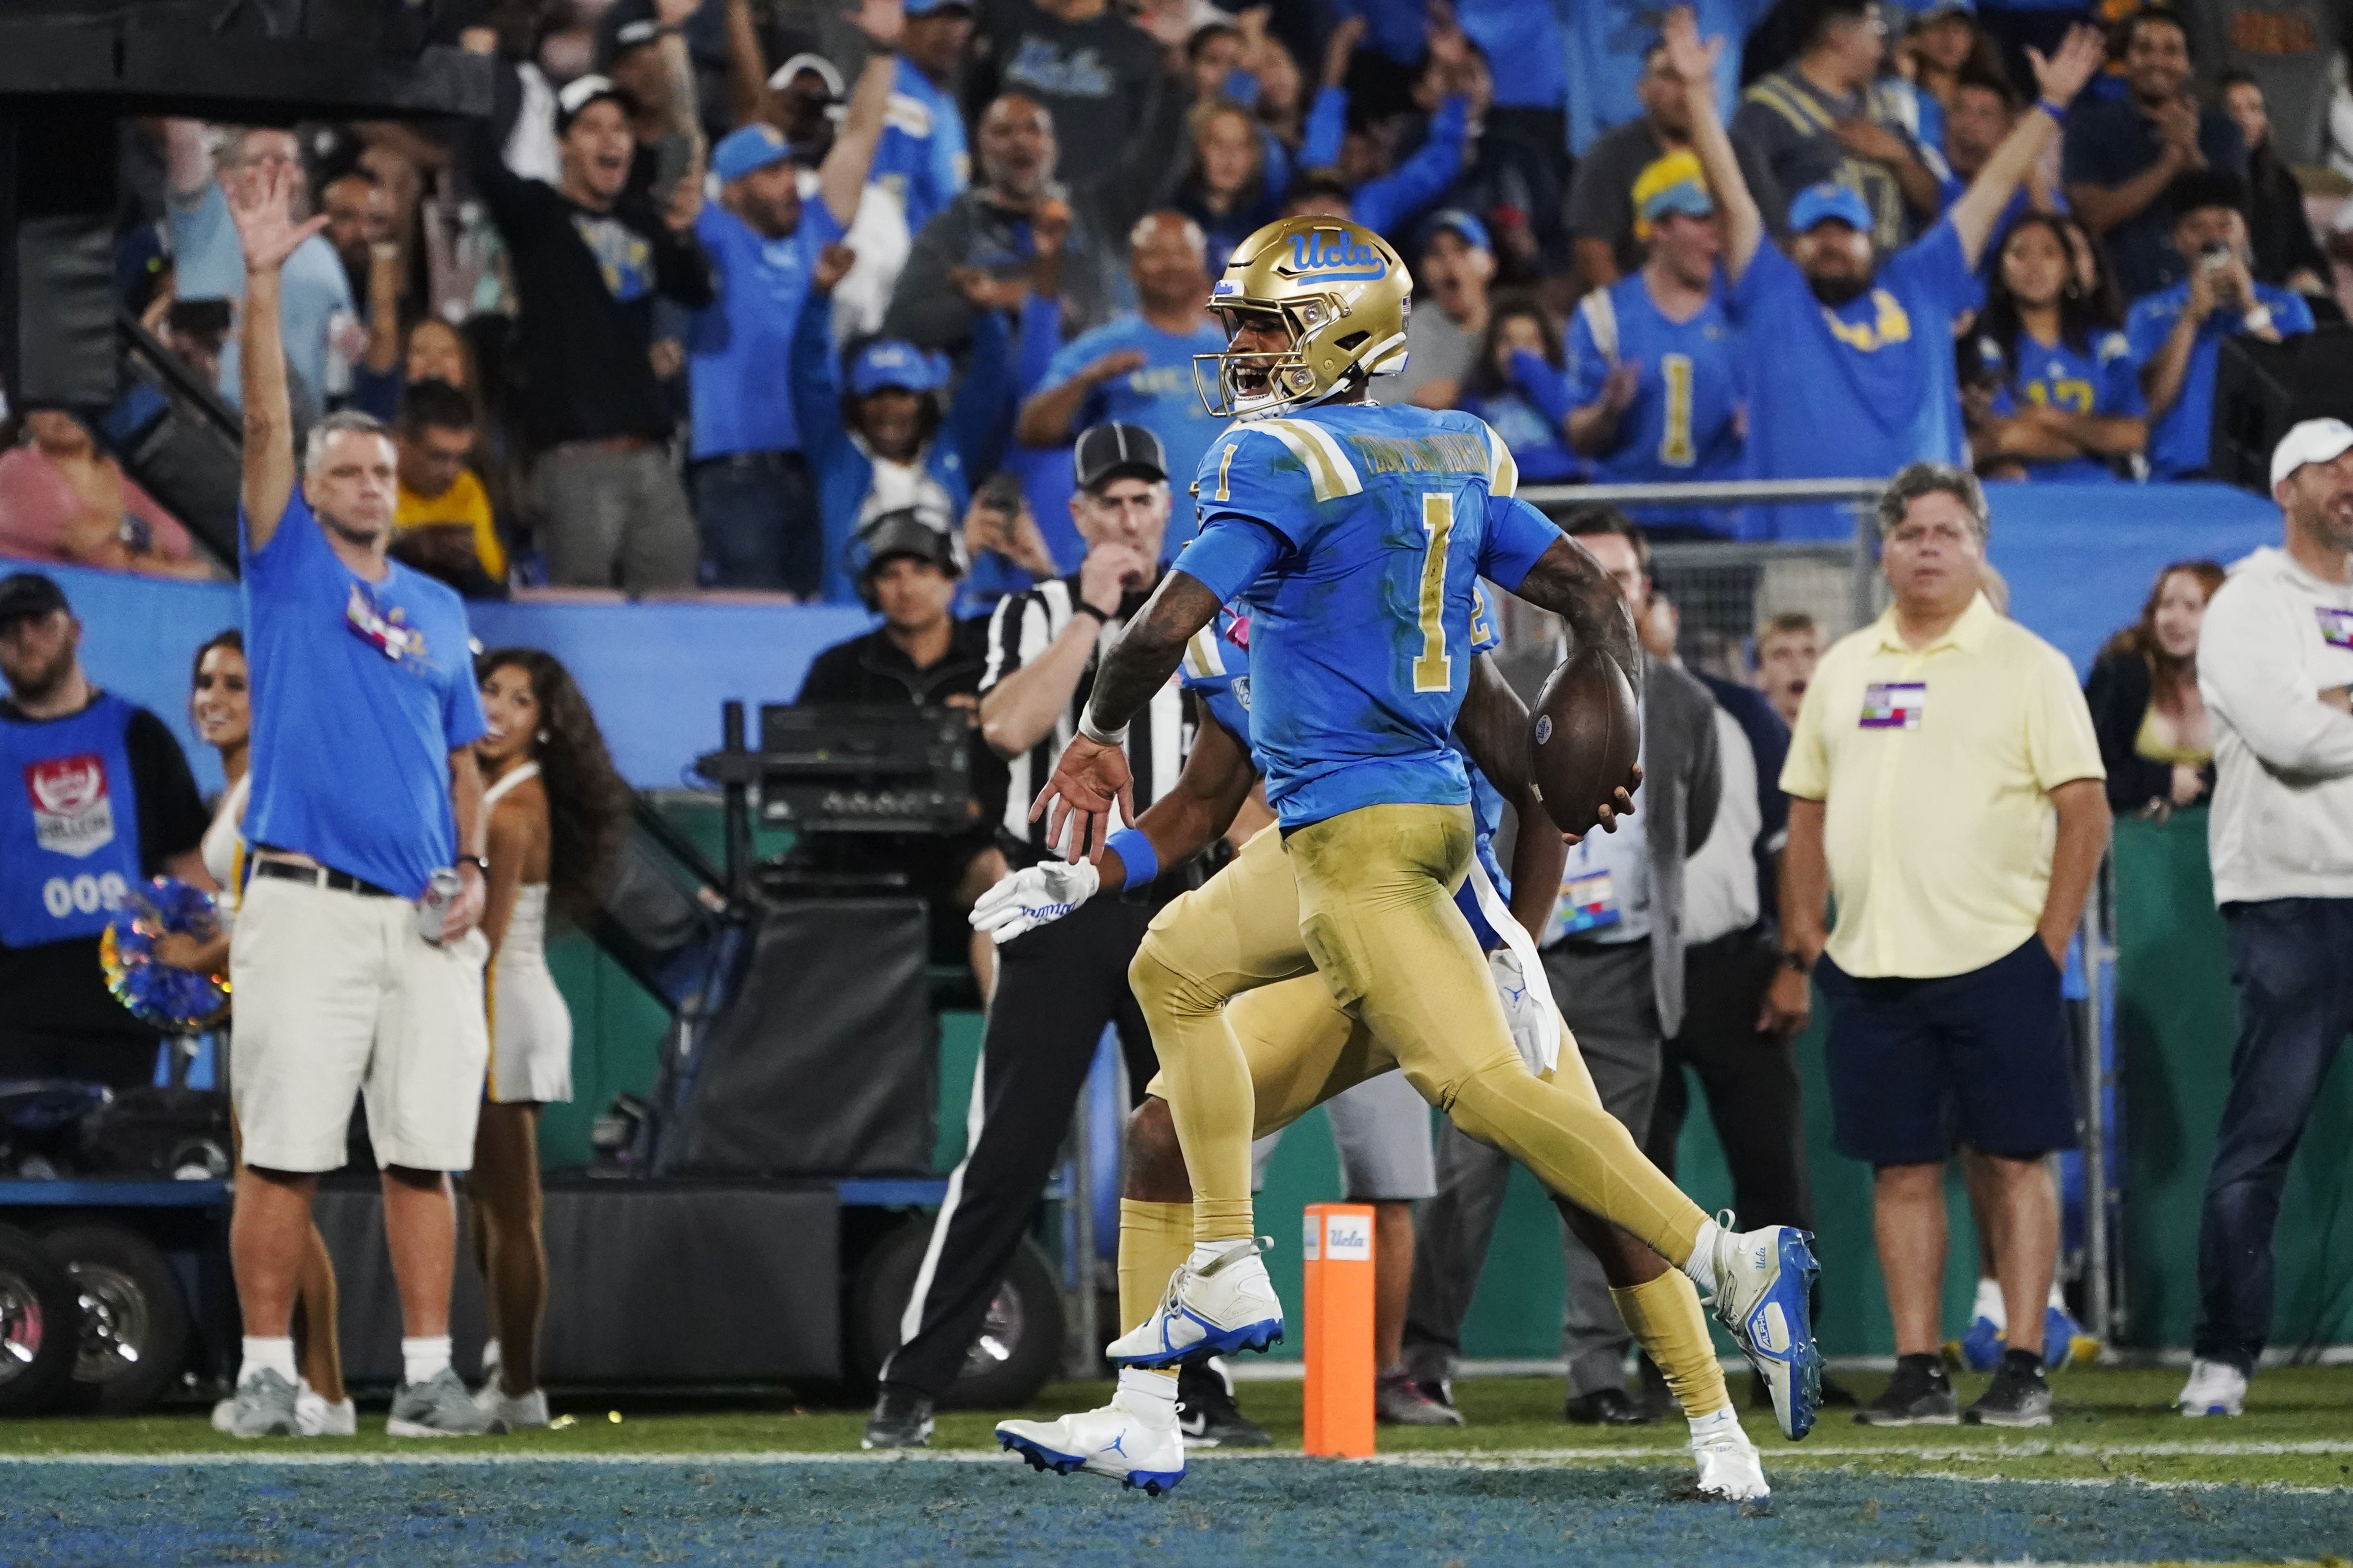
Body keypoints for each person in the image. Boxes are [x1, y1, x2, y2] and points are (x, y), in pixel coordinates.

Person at [1015, 212, 1824, 1474]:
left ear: (1334, 335)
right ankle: (1155, 1394)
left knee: (1511, 1112)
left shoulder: (1274, 477)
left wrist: (1580, 767)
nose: (1235, 345)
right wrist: (1084, 871)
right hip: (1328, 851)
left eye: (1261, 323)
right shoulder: (1439, 465)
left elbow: (1182, 627)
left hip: (1409, 876)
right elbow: (1561, 618)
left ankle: (1726, 1310)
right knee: (1168, 998)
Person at [218, 157, 497, 1440]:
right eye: (349, 468)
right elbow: (266, 424)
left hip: (425, 917)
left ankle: (429, 1372)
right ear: (314, 483)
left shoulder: (442, 608)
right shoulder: (282, 567)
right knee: (281, 1147)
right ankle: (265, 1371)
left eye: (383, 471)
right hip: (306, 899)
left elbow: (465, 764)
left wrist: (480, 869)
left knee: (424, 1150)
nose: (370, 483)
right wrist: (265, 278)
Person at [861, 423, 1198, 1449]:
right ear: (1081, 518)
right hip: (1056, 902)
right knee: (1006, 1149)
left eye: (1146, 499)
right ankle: (914, 1382)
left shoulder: (1209, 617)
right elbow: (1008, 727)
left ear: (1165, 508)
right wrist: (1092, 612)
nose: (1131, 517)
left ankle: (1191, 1382)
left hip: (1174, 907)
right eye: (1113, 502)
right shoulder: (1034, 612)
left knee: (1189, 1145)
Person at [1764, 461, 2110, 1429]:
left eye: (1944, 532)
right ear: (1883, 547)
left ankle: (2024, 1365)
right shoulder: (1842, 666)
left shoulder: (2028, 665)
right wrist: (1805, 930)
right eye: (1909, 531)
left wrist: (2046, 944)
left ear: (1977, 546)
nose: (1925, 547)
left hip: (2000, 957)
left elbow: (2083, 813)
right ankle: (1918, 1369)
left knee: (2012, 1160)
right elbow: (1803, 810)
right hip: (1871, 966)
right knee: (1900, 1170)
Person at [1400, 512, 1723, 1429]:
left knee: (1607, 1171)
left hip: (1622, 970)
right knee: (1464, 1173)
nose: (1603, 596)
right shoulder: (1489, 683)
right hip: (1500, 952)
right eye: (1589, 575)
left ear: (1644, 588)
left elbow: (1685, 825)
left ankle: (1599, 1370)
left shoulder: (1687, 705)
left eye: (1621, 576)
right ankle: (1422, 1362)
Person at [1672, 6, 2108, 540]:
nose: (1831, 244)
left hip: (1924, 553)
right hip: (1804, 557)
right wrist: (1696, 94)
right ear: (1794, 243)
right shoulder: (1773, 291)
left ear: (1869, 238)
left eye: (1844, 231)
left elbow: (1992, 189)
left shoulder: (1921, 281)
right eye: (1816, 233)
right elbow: (1730, 198)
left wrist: (2051, 106)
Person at [2177, 419, 2353, 1419]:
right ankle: (2222, 1360)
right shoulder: (2245, 601)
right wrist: (2314, 706)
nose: (2348, 485)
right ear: (2284, 487)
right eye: (2331, 469)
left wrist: (2328, 696)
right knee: (2260, 1137)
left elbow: (2311, 717)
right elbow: (2287, 736)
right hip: (2287, 895)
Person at [164, 630, 354, 1440]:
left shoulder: (274, 778)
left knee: (275, 1194)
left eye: (236, 683)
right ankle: (320, 1386)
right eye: (205, 680)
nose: (215, 695)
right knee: (270, 1196)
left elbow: (272, 911)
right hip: (258, 1001)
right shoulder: (235, 788)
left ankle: (323, 1385)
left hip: (287, 997)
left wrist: (190, 956)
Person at [462, 49, 715, 590]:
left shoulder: (641, 221)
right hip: (574, 462)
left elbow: (697, 292)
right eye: (592, 127)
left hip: (650, 458)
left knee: (682, 611)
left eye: (620, 128)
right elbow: (481, 164)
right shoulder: (538, 216)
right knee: (584, 609)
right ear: (562, 144)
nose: (611, 140)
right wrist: (477, 65)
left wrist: (679, 232)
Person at [466, 648, 629, 1433]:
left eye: (519, 700)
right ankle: (505, 1360)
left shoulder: (512, 808)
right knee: (487, 1208)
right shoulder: (492, 789)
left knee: (510, 1210)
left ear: (545, 724)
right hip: (496, 1004)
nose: (497, 708)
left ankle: (521, 1387)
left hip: (502, 1008)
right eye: (489, 690)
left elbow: (486, 941)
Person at [687, 17, 892, 596]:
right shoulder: (715, 235)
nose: (788, 183)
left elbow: (859, 139)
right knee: (751, 613)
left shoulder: (812, 232)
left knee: (821, 611)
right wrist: (676, 40)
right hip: (737, 467)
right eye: (770, 173)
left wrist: (883, 49)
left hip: (818, 460)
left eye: (788, 169)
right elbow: (691, 137)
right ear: (732, 191)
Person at [0, 572, 211, 1089]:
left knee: (116, 1162)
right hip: (12, 1015)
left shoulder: (140, 735)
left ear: (76, 629)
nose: (26, 638)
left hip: (121, 1011)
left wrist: (207, 966)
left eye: (40, 624)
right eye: (9, 630)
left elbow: (190, 868)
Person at [796, 511, 1012, 994]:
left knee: (1003, 878)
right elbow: (804, 776)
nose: (906, 586)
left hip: (965, 850)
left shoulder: (995, 662)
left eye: (921, 571)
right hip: (862, 856)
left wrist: (981, 810)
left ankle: (1007, 1061)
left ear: (950, 581)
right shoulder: (838, 670)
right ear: (872, 588)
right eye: (890, 574)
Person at [881, 80, 1188, 353]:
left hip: (1087, 394)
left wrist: (1175, 72)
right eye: (1003, 132)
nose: (1021, 141)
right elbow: (904, 325)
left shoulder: (1094, 211)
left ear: (1053, 147)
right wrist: (993, 303)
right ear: (981, 150)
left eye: (1033, 130)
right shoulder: (951, 229)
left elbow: (1159, 158)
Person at [797, 246, 1015, 603]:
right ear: (856, 404)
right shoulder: (838, 457)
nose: (889, 409)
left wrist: (984, 314)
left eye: (902, 395)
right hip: (860, 620)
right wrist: (819, 297)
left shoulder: (952, 447)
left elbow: (991, 380)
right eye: (875, 396)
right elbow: (810, 377)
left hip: (955, 618)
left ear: (923, 401)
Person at [1016, 213, 1226, 553]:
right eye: (1156, 253)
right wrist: (1089, 380)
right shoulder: (1100, 348)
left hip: (1221, 555)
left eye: (1182, 252)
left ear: (1202, 264)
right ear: (1132, 267)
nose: (1171, 264)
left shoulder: (1233, 351)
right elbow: (1034, 429)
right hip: (1128, 557)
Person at [1562, 161, 1747, 536]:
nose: (1715, 234)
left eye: (1719, 220)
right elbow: (1577, 435)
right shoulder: (1604, 316)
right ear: (1658, 228)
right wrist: (1608, 412)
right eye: (1700, 219)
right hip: (1629, 527)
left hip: (1721, 527)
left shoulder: (1745, 313)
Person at [2125, 171, 2315, 480]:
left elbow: (2300, 399)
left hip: (2264, 479)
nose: (2213, 237)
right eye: (2196, 227)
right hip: (2176, 477)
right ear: (2177, 241)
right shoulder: (2149, 312)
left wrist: (2251, 309)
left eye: (2225, 224)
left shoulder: (2288, 307)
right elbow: (2147, 407)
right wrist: (2190, 319)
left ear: (2245, 233)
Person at [162, 122, 357, 411]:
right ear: (227, 177)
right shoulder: (204, 223)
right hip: (213, 418)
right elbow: (182, 135)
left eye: (289, 162)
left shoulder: (324, 254)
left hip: (297, 429)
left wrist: (353, 343)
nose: (279, 171)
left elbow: (341, 347)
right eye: (264, 162)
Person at [1566, 35, 1784, 291]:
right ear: (1643, 90)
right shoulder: (1610, 154)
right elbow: (1593, 250)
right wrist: (1629, 317)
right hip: (1645, 299)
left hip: (1729, 303)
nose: (1684, 91)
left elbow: (1774, 238)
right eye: (1670, 76)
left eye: (1696, 79)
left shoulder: (1740, 152)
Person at [1732, 0, 1948, 255]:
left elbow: (1937, 202)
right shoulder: (1764, 112)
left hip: (1893, 285)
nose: (1881, 47)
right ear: (1840, 37)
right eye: (1876, 30)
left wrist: (1898, 157)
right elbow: (1754, 223)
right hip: (1812, 283)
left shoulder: (1886, 109)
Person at [2062, 9, 2249, 300]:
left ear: (2189, 65)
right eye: (2144, 49)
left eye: (2171, 51)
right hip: (2117, 300)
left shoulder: (2222, 131)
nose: (2157, 61)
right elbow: (2093, 218)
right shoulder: (2090, 127)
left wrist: (2191, 150)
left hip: (2208, 296)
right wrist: (2170, 163)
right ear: (2125, 60)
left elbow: (2226, 218)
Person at [1965, 212, 2148, 482]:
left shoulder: (2106, 343)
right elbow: (2003, 435)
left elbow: (2134, 434)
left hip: (2102, 500)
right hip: (2024, 499)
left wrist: (2045, 415)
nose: (2035, 266)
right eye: (2020, 253)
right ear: (2000, 271)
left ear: (2069, 268)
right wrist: (2099, 439)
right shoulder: (1986, 346)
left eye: (2049, 253)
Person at [973, 0, 1186, 187]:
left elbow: (1144, 140)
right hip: (1000, 195)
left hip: (1089, 210)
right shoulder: (1004, 17)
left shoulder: (1136, 47)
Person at [2084, 560, 2223, 821]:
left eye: (2192, 608)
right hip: (2129, 846)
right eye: (2166, 605)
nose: (2175, 619)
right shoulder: (2121, 676)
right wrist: (2162, 781)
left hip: (2217, 845)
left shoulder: (2237, 682)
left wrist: (2203, 781)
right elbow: (2084, 777)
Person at [0, 410, 208, 579]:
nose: (65, 412)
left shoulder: (127, 475)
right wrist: (150, 545)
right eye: (48, 402)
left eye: (78, 400)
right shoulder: (16, 468)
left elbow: (191, 560)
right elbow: (104, 557)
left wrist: (122, 535)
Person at [2216, 72, 2333, 299]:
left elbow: (2305, 252)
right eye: (2234, 110)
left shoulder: (2282, 183)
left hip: (2276, 299)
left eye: (2254, 109)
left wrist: (2308, 275)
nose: (2245, 120)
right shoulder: (2199, 180)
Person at [393, 380, 507, 598]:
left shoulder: (467, 487)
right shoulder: (369, 482)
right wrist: (405, 550)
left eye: (462, 458)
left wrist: (469, 565)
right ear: (400, 441)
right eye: (439, 457)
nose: (452, 471)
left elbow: (497, 588)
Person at [1455, 293, 1583, 485]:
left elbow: (1574, 429)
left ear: (1547, 347)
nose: (1518, 353)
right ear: (1491, 347)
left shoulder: (1565, 389)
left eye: (1530, 342)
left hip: (1565, 489)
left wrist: (1538, 377)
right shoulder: (1475, 402)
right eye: (1508, 341)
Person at [1384, 210, 1493, 412]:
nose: (1448, 262)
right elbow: (1369, 398)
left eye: (1461, 250)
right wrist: (1412, 398)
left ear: (1489, 264)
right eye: (1436, 253)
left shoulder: (1513, 323)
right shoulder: (1408, 329)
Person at [1757, 611, 1820, 727]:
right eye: (1782, 655)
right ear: (1761, 672)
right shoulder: (1742, 736)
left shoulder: (1849, 728)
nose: (1798, 667)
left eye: (1809, 654)